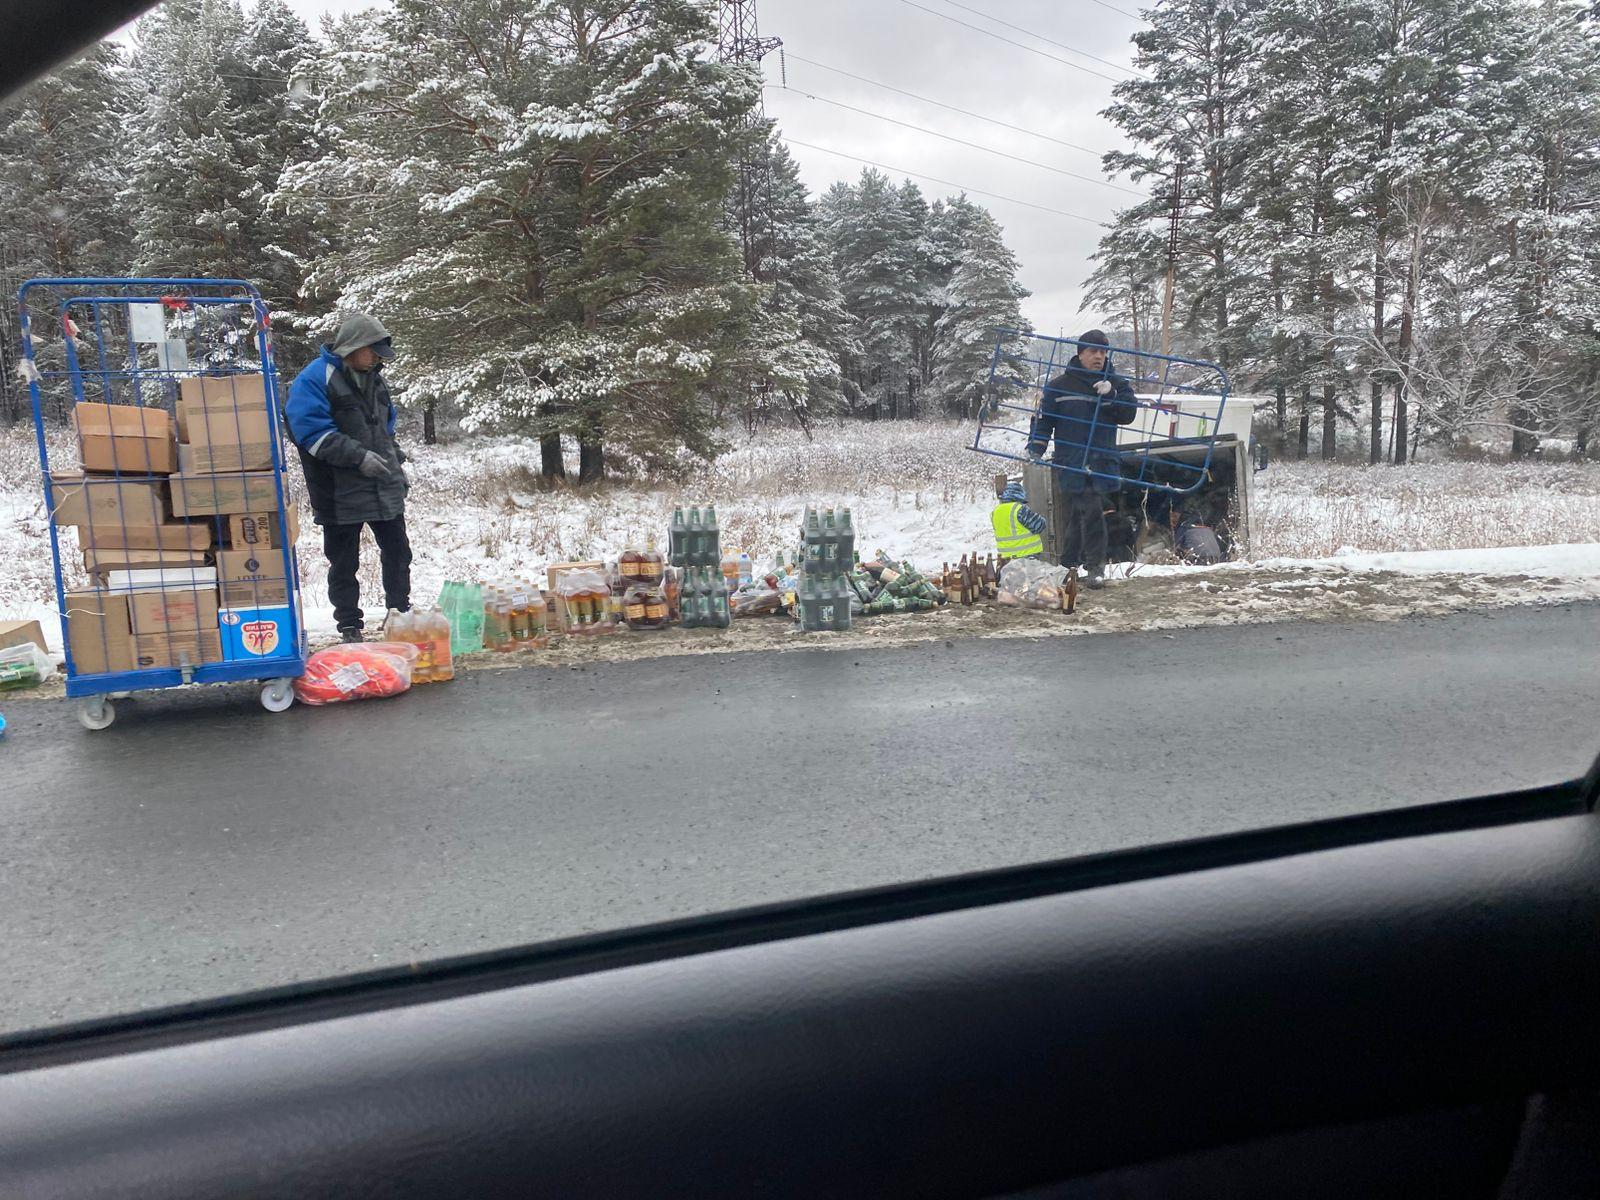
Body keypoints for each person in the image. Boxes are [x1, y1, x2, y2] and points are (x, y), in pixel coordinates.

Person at [285, 312, 411, 642]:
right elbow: (311, 433)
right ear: (352, 348)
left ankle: (400, 614)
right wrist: (359, 457)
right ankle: (349, 625)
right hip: (338, 492)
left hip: (383, 486)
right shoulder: (314, 379)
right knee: (344, 563)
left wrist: (394, 460)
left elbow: (384, 425)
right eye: (373, 351)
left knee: (399, 553)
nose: (377, 360)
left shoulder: (374, 377)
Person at [1026, 329, 1137, 589]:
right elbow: (1044, 421)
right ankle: (1093, 567)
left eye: (1102, 351)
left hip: (1103, 460)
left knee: (1084, 511)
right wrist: (1036, 448)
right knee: (1091, 510)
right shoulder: (1058, 386)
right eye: (1092, 351)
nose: (1098, 356)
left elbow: (1128, 415)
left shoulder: (1118, 384)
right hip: (1071, 460)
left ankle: (1070, 564)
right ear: (1080, 353)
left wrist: (1110, 396)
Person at [991, 474, 1046, 560]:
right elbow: (1040, 525)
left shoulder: (995, 512)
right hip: (1027, 555)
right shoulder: (1019, 509)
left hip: (1006, 557)